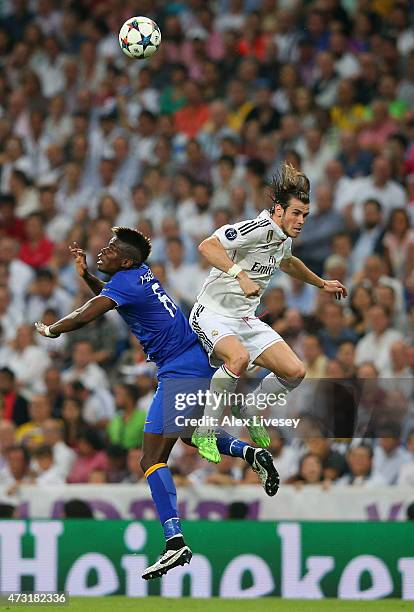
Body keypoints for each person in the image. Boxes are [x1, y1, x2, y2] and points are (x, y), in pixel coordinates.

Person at [34, 226, 279, 580]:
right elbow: (108, 298)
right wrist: (88, 274)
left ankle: (174, 541)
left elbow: (90, 312)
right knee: (190, 433)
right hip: (193, 361)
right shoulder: (137, 276)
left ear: (127, 260)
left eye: (111, 249)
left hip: (179, 368)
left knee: (150, 458)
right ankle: (250, 453)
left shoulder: (127, 281)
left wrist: (54, 329)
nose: (103, 251)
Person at [189, 163, 347, 461]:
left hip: (244, 318)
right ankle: (205, 431)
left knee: (295, 371)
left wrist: (321, 283)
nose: (301, 221)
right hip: (211, 312)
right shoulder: (256, 229)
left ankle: (247, 408)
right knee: (238, 359)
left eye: (305, 216)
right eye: (296, 214)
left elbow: (287, 262)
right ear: (278, 210)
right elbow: (207, 246)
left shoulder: (283, 237)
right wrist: (240, 274)